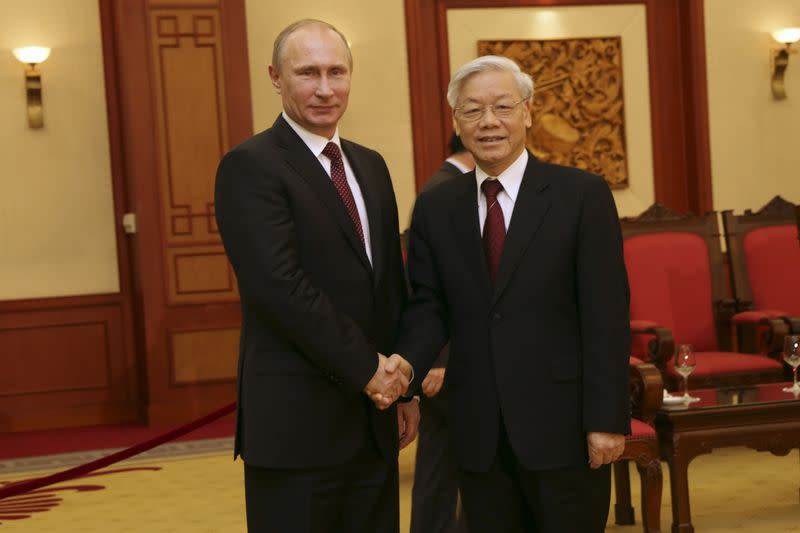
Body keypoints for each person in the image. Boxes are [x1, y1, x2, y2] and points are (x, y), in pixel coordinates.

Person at [394, 55, 631, 532]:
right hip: (478, 430)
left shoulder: (581, 196)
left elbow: (606, 315)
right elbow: (428, 306)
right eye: (472, 110)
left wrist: (606, 418)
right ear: (456, 121)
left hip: (564, 426)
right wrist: (404, 367)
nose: (488, 122)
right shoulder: (437, 207)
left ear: (527, 112)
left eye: (502, 107)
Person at [214, 19, 418, 533]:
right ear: (276, 78)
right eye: (307, 73)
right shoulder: (251, 165)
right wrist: (367, 370)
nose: (325, 89)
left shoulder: (370, 166)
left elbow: (388, 284)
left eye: (336, 72)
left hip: (374, 419)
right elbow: (279, 288)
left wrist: (403, 388)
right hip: (295, 424)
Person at [409, 133, 472, 533]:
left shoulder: (441, 183)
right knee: (451, 463)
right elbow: (439, 290)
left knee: (439, 463)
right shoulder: (449, 190)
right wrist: (441, 359)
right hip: (450, 360)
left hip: (444, 357)